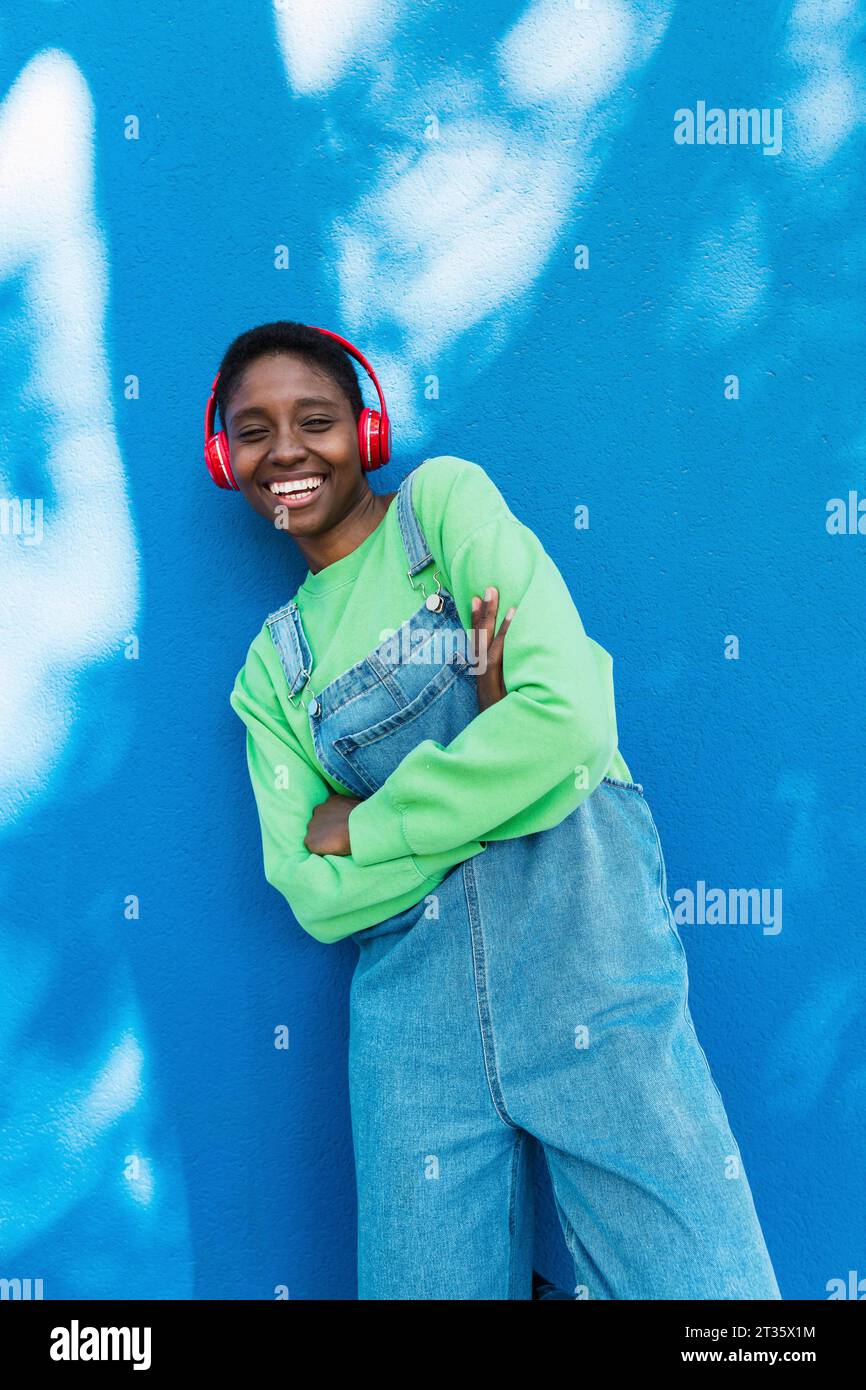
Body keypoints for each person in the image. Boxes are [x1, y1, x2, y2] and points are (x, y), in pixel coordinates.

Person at [220, 320, 781, 1301]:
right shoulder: (274, 670)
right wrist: (497, 764)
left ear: (366, 429)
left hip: (586, 958)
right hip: (412, 1023)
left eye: (313, 420)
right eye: (253, 430)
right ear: (227, 459)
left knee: (707, 1293)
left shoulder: (441, 511)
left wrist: (368, 818)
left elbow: (565, 722)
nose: (286, 452)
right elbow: (311, 893)